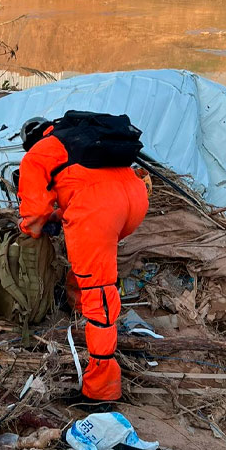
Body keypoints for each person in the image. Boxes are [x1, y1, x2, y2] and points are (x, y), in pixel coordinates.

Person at [17, 116, 149, 402]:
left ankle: (102, 389)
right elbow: (83, 182)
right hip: (134, 201)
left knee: (98, 290)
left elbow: (34, 211)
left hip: (100, 208)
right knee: (88, 261)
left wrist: (30, 229)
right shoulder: (78, 136)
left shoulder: (39, 152)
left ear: (31, 140)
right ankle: (78, 308)